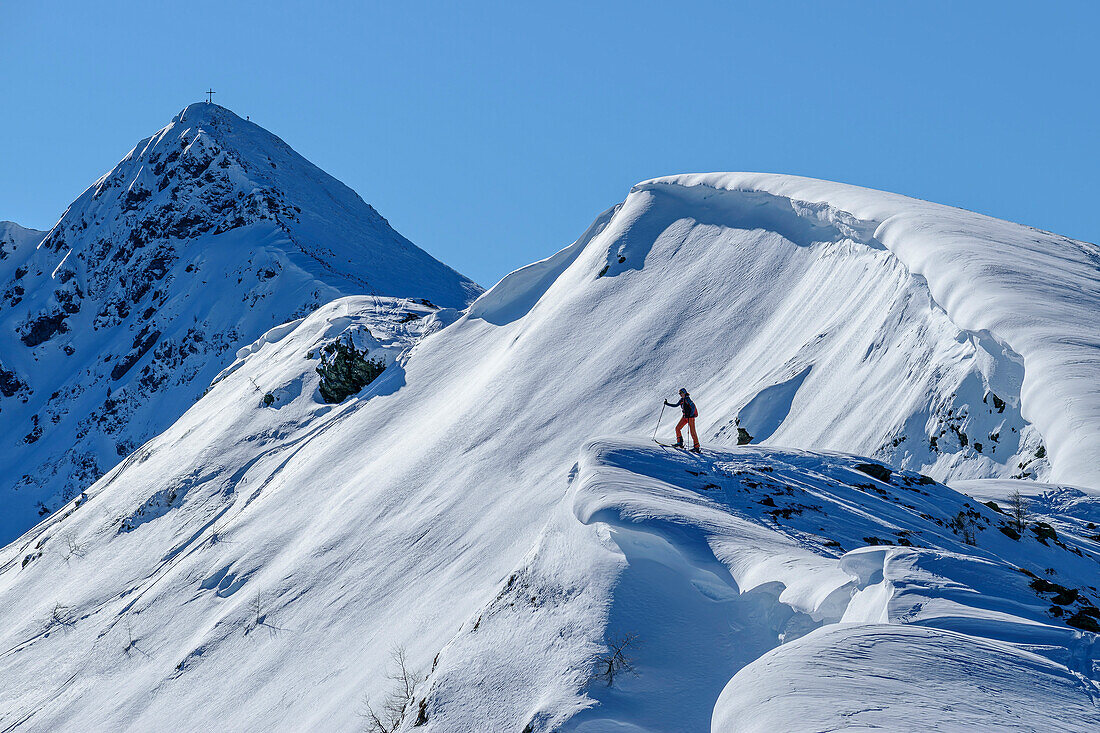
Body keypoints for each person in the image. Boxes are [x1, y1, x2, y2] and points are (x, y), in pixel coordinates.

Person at [665, 388, 700, 452]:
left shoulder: (688, 399)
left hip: (690, 418)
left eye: (681, 393)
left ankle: (697, 447)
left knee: (693, 432)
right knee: (677, 428)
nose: (680, 394)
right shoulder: (682, 400)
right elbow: (676, 405)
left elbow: (693, 407)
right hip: (685, 417)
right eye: (679, 393)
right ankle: (680, 443)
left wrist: (691, 415)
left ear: (684, 393)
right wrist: (667, 404)